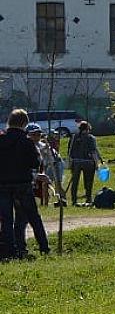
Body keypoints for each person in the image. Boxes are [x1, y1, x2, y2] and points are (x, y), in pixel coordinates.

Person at [1, 110, 51, 260]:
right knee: (33, 217)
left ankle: (10, 251)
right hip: (23, 183)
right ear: (24, 123)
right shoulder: (26, 141)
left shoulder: (1, 139)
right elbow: (35, 163)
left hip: (3, 184)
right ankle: (44, 247)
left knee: (6, 219)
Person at [67, 120, 102, 206]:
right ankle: (88, 199)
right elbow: (93, 151)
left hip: (76, 162)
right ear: (88, 129)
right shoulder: (91, 138)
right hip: (88, 162)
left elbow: (70, 151)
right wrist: (97, 163)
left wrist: (70, 163)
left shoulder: (74, 137)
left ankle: (74, 200)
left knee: (75, 182)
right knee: (89, 182)